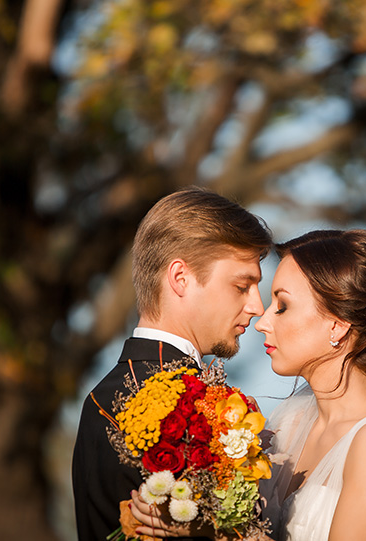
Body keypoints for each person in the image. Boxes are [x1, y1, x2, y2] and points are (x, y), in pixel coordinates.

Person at [130, 229, 366, 540]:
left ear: (337, 326)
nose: (261, 321)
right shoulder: (287, 425)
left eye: (282, 306)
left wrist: (208, 531)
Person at [72, 186, 272, 541]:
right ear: (181, 278)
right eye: (242, 286)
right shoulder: (186, 405)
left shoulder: (100, 398)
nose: (257, 307)